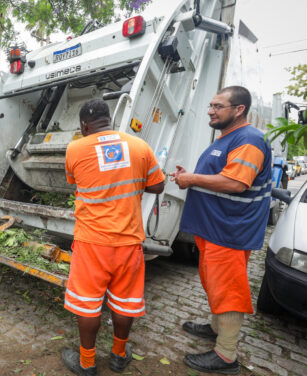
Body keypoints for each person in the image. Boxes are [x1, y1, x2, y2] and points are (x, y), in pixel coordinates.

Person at [170, 86, 272, 375]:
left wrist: (191, 179)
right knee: (215, 283)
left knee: (228, 290)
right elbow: (219, 176)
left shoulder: (249, 140)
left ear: (239, 110)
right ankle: (216, 327)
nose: (210, 111)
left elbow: (235, 183)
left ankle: (226, 355)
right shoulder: (229, 138)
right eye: (211, 105)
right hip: (214, 228)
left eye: (218, 106)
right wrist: (189, 175)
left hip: (229, 231)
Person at [62, 99, 165, 375]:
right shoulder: (139, 146)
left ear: (84, 125)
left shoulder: (74, 149)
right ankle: (119, 355)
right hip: (129, 242)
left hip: (91, 243)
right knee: (124, 302)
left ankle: (86, 363)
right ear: (110, 119)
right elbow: (159, 185)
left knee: (88, 303)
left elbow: (74, 182)